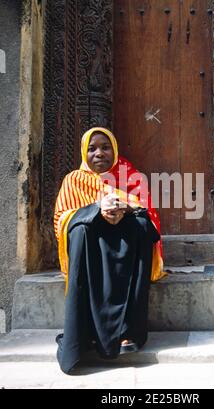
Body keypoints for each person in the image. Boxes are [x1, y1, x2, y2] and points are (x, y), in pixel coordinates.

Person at [54, 127, 167, 374]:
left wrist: (126, 209)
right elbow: (62, 220)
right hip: (91, 255)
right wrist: (96, 209)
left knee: (140, 226)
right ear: (84, 152)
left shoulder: (131, 177)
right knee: (79, 230)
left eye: (105, 147)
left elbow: (150, 217)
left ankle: (128, 330)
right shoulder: (73, 180)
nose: (99, 153)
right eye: (92, 148)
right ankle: (85, 332)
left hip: (125, 252)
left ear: (114, 150)